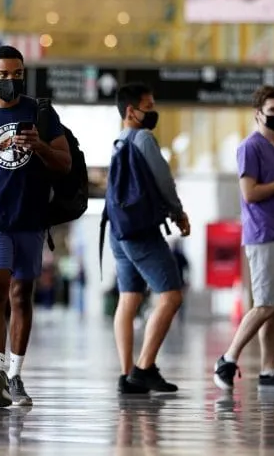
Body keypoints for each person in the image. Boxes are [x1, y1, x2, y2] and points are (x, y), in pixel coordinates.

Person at [0, 45, 72, 408]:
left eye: (17, 73)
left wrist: (39, 146)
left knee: (21, 294)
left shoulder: (40, 112)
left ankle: (16, 375)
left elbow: (64, 163)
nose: (11, 80)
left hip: (31, 218)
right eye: (3, 75)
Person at [213, 85, 274, 393]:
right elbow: (250, 193)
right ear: (258, 114)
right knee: (265, 303)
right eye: (273, 110)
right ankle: (227, 358)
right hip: (262, 233)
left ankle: (269, 370)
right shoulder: (249, 148)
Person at [109, 83, 189, 395]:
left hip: (118, 230)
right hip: (141, 231)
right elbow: (163, 178)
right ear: (131, 111)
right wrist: (178, 211)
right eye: (149, 105)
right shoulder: (143, 138)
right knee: (171, 296)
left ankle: (128, 373)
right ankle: (143, 368)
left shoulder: (118, 141)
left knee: (129, 298)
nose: (153, 111)